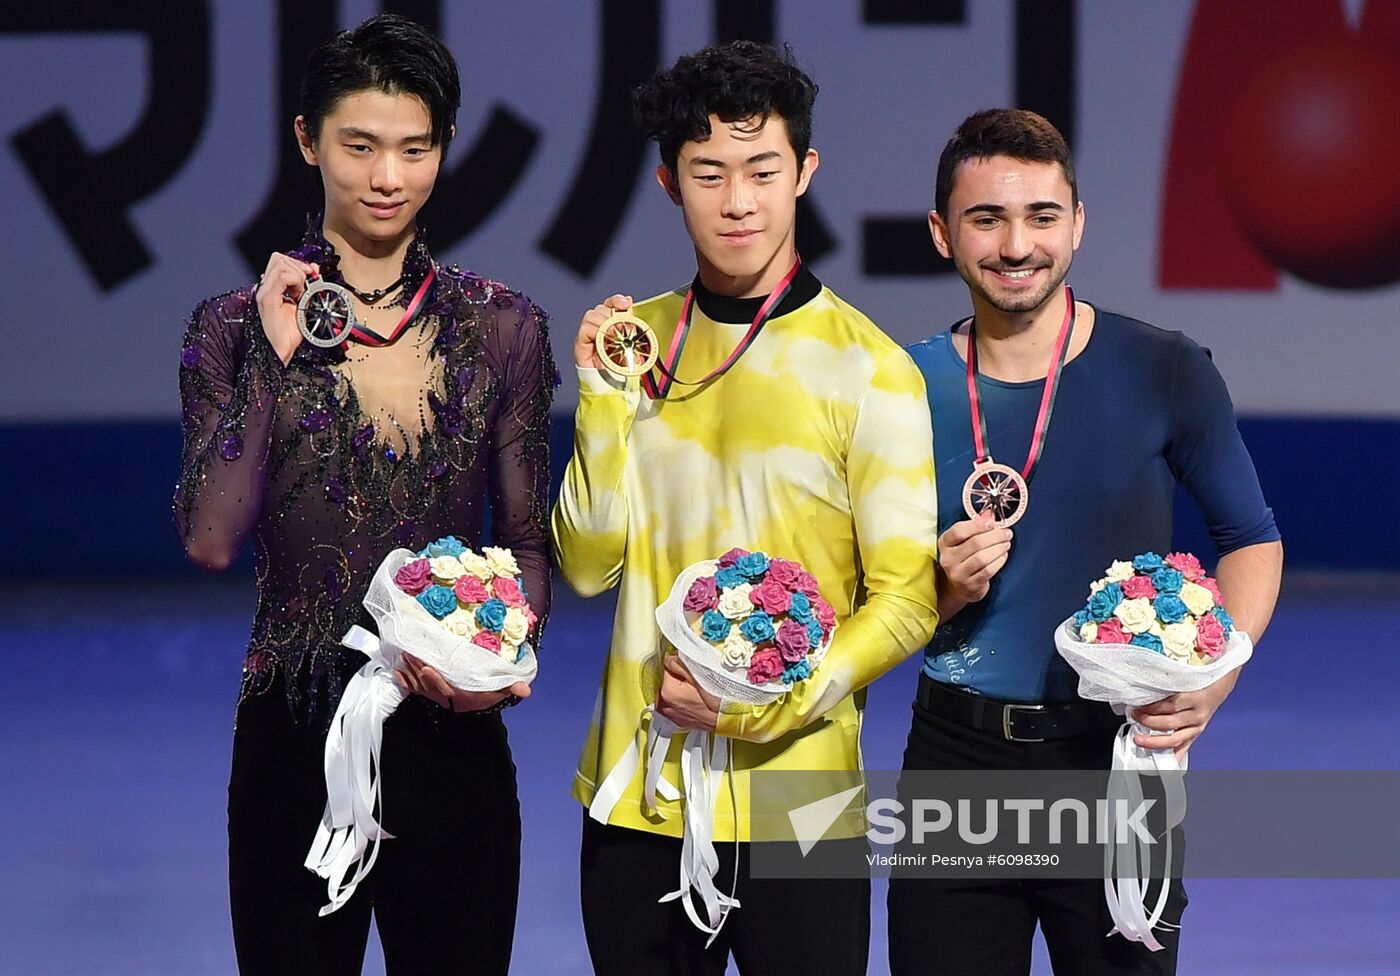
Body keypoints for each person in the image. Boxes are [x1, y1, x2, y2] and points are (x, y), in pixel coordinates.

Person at [173, 15, 553, 974]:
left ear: (445, 148)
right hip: (290, 731)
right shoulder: (228, 328)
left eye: (414, 149)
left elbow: (524, 536)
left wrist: (501, 661)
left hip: (451, 734)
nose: (388, 176)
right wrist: (271, 351)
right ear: (308, 142)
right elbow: (212, 536)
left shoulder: (501, 327)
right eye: (360, 146)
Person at [551, 40, 940, 976]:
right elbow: (586, 565)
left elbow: (906, 599)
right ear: (667, 182)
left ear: (804, 172)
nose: (737, 201)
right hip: (642, 789)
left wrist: (771, 704)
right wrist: (604, 401)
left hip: (799, 804)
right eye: (708, 173)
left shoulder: (872, 369)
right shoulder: (633, 344)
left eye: (763, 170)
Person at [887, 108, 1284, 975]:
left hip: (1119, 758)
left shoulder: (1166, 367)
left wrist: (1215, 679)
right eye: (986, 218)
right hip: (957, 763)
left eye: (1041, 216)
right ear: (941, 233)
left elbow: (1250, 537)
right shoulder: (896, 385)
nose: (1016, 244)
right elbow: (863, 589)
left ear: (1077, 226)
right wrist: (939, 590)